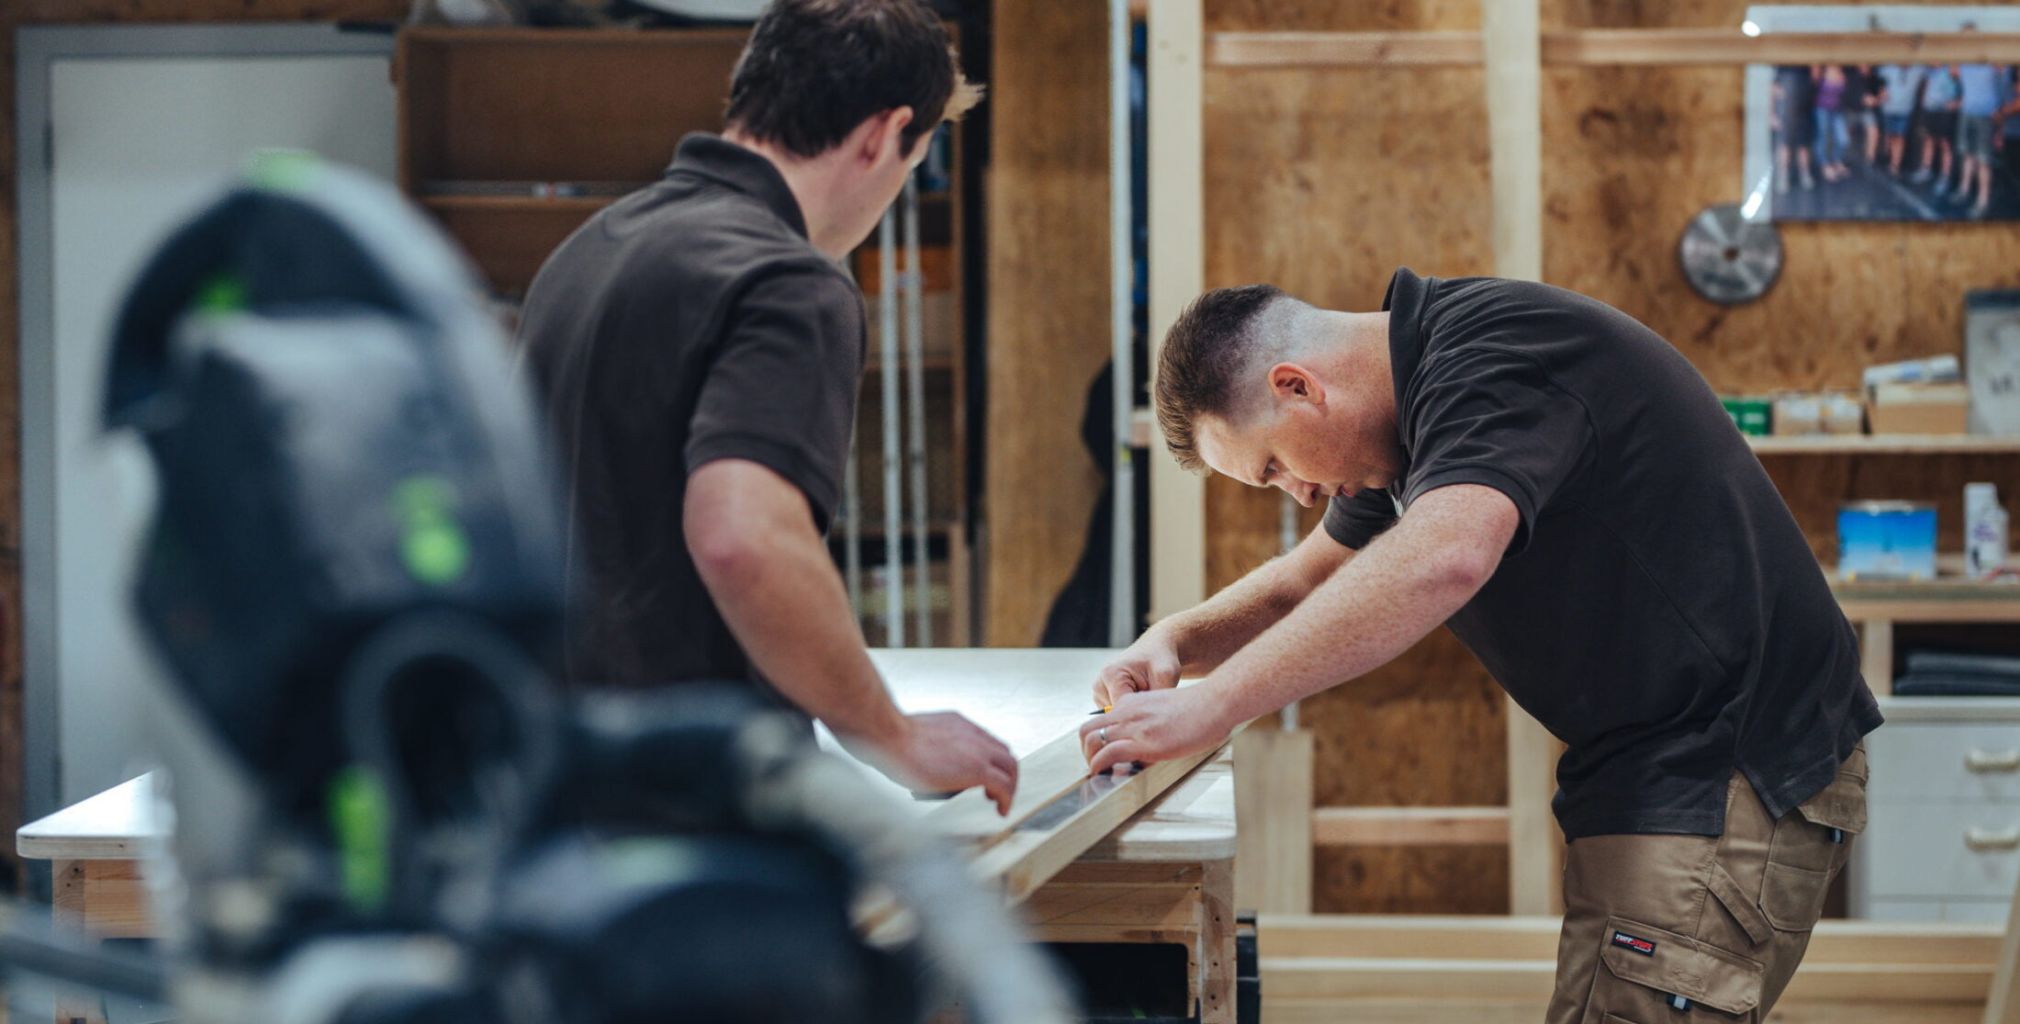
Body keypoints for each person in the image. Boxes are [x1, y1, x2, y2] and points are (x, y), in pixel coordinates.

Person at [1085, 272, 1878, 1022]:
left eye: (1274, 467)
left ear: (1297, 387)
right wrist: (1172, 642)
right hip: (1668, 765)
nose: (1297, 492)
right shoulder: (1408, 426)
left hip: (1731, 765)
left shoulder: (1492, 363)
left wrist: (1215, 707)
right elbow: (1305, 582)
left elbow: (1446, 558)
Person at [516, 0, 1018, 812]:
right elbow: (741, 534)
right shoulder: (788, 283)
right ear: (881, 136)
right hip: (695, 798)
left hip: (557, 780)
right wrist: (891, 733)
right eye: (913, 157)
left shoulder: (593, 248)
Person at [1955, 62, 2005, 217]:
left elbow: (2003, 84)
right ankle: (1963, 191)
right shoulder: (1963, 64)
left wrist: (1999, 126)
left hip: (1986, 115)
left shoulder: (1994, 64)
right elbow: (1952, 70)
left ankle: (1982, 201)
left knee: (1984, 160)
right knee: (1967, 155)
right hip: (1967, 113)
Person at [1915, 64, 1961, 197]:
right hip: (1930, 111)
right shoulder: (1930, 71)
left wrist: (1957, 103)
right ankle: (1926, 170)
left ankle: (1945, 178)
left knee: (1945, 144)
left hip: (1944, 112)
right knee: (1928, 140)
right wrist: (1924, 102)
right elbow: (1928, 86)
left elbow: (1967, 87)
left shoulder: (1952, 67)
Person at [1771, 65, 1817, 192]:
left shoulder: (1807, 68)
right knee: (1785, 147)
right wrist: (1773, 114)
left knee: (1803, 147)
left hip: (1803, 114)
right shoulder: (1783, 67)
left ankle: (1805, 174)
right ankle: (1783, 177)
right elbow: (1773, 91)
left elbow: (1813, 86)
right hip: (1786, 115)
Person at [1875, 63, 1924, 176]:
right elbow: (1878, 81)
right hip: (1889, 108)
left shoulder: (1918, 69)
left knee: (1900, 137)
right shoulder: (1888, 67)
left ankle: (1894, 165)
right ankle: (1889, 157)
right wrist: (1881, 91)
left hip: (1905, 110)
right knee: (1891, 136)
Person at [1812, 64, 1850, 182]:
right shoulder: (1820, 72)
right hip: (1822, 109)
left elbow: (1844, 88)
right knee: (1823, 137)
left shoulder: (1841, 72)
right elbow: (1815, 84)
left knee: (1843, 139)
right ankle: (1825, 165)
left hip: (1837, 110)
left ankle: (1836, 161)